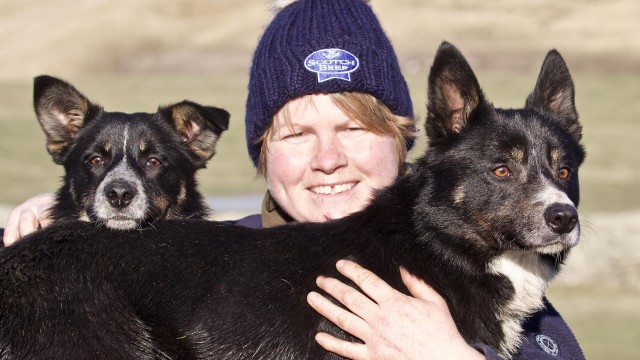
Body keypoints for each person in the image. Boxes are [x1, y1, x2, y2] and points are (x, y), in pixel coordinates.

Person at [2, 0, 584, 359]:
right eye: (297, 135)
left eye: (355, 128)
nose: (327, 158)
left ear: (407, 138)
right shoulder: (212, 258)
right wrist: (61, 230)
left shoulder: (510, 294)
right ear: (261, 153)